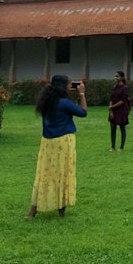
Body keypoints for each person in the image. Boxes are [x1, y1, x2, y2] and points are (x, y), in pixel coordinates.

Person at [28, 74, 87, 218]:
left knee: (44, 174)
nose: (69, 86)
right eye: (68, 84)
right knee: (63, 173)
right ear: (63, 86)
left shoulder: (46, 102)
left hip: (47, 142)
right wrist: (82, 94)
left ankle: (33, 210)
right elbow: (83, 112)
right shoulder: (64, 103)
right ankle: (61, 210)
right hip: (64, 141)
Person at [108, 69, 131, 150]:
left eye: (117, 76)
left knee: (122, 128)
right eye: (115, 76)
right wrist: (111, 110)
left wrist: (112, 107)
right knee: (113, 128)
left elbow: (123, 101)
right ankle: (112, 146)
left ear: (122, 77)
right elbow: (111, 98)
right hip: (113, 110)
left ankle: (121, 147)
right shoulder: (114, 87)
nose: (116, 78)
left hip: (121, 111)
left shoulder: (124, 88)